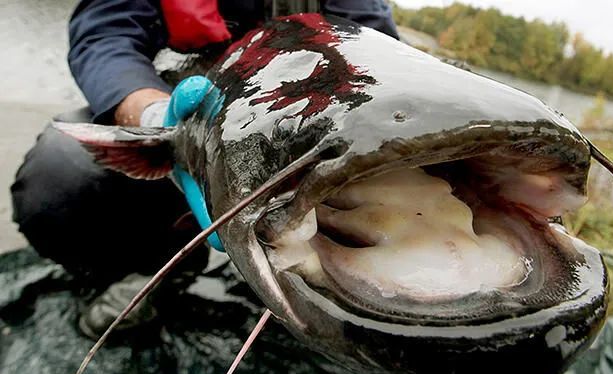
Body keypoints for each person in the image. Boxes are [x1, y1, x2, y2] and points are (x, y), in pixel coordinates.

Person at [10, 0, 399, 338]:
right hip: (191, 125)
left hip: (310, 140)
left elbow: (376, 47)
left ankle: (319, 286)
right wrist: (156, 116)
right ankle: (163, 270)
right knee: (60, 173)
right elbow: (105, 37)